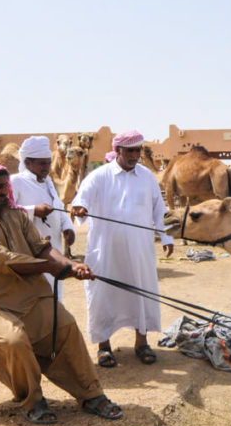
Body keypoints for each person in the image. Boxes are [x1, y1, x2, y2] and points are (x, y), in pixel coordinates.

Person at [0, 161, 122, 424]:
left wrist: (71, 264)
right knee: (13, 340)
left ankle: (91, 394)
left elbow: (41, 248)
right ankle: (32, 400)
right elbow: (3, 260)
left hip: (28, 295)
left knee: (66, 325)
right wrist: (60, 270)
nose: (5, 192)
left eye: (6, 186)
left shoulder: (14, 214)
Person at [70, 129, 173, 367]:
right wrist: (80, 208)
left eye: (138, 150)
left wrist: (165, 237)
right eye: (130, 150)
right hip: (105, 251)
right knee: (102, 295)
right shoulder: (100, 176)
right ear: (118, 150)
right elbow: (80, 199)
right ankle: (104, 347)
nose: (135, 155)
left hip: (139, 251)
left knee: (141, 292)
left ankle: (142, 342)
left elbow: (159, 208)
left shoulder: (147, 177)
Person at [10, 136, 75, 298]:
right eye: (42, 163)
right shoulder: (15, 182)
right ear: (28, 163)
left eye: (48, 163)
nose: (46, 167)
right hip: (30, 252)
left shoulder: (48, 183)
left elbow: (59, 208)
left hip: (54, 249)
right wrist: (33, 210)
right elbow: (6, 212)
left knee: (55, 295)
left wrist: (68, 227)